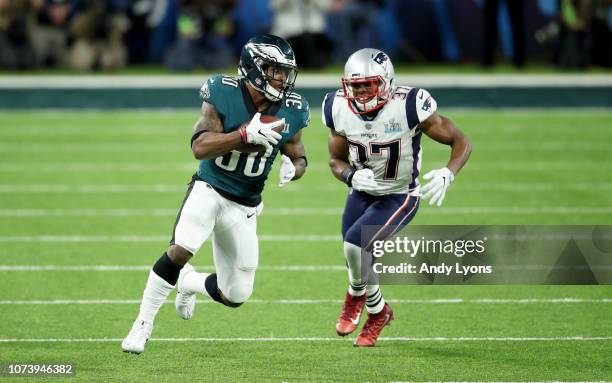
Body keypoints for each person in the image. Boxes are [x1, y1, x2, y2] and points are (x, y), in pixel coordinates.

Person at [122, 34, 310, 354]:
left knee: (236, 295)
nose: (281, 77)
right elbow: (200, 146)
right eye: (273, 69)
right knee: (181, 249)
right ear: (252, 68)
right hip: (209, 188)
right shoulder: (223, 92)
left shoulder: (292, 109)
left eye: (284, 71)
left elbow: (299, 154)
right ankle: (142, 324)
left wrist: (295, 167)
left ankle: (190, 283)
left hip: (245, 205)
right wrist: (242, 135)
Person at [323, 48, 471, 347]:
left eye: (369, 84)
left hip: (399, 195)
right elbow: (334, 161)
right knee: (360, 259)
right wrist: (350, 176)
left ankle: (355, 295)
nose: (362, 92)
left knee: (355, 245)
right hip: (361, 192)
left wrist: (449, 172)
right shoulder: (337, 107)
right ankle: (379, 313)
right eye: (356, 86)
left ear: (387, 82)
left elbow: (460, 141)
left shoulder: (409, 105)